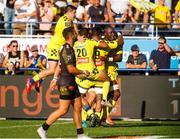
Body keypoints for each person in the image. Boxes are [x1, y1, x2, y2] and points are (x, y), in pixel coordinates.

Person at [37, 27, 90, 139]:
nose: (77, 34)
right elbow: (70, 69)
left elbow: (60, 66)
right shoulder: (67, 49)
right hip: (67, 82)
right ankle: (43, 128)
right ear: (71, 35)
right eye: (75, 33)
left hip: (70, 81)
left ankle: (80, 134)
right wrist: (83, 72)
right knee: (63, 110)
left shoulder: (65, 48)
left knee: (78, 107)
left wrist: (55, 78)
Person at [26, 5, 77, 94]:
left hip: (58, 46)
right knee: (53, 70)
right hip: (55, 46)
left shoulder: (67, 20)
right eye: (74, 13)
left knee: (57, 69)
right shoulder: (66, 21)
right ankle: (31, 81)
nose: (75, 15)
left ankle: (39, 81)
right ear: (69, 12)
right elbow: (71, 35)